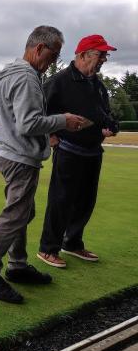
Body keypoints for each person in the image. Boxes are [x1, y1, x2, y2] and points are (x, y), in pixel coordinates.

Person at [0, 25, 86, 304]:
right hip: (19, 156)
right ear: (39, 49)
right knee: (15, 214)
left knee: (23, 212)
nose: (54, 62)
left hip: (10, 152)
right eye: (54, 54)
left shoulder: (14, 74)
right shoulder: (26, 78)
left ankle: (18, 265)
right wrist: (64, 120)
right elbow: (28, 123)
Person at [37, 35, 118, 268]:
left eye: (105, 55)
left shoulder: (98, 84)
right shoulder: (58, 81)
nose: (104, 59)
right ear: (83, 55)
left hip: (93, 150)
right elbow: (40, 112)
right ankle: (48, 248)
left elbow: (105, 113)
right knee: (61, 200)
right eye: (100, 54)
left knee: (85, 201)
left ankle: (72, 243)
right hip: (69, 149)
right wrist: (51, 137)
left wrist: (110, 126)